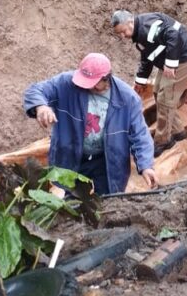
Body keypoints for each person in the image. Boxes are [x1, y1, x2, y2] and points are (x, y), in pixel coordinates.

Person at [23, 53, 158, 195]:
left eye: (92, 82)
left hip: (107, 161)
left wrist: (146, 166)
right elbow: (35, 90)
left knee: (106, 202)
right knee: (71, 201)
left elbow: (140, 135)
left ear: (106, 79)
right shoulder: (67, 83)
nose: (86, 86)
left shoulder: (127, 99)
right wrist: (41, 106)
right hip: (72, 155)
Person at [110, 10, 187, 157]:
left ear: (130, 22)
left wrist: (171, 64)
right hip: (174, 59)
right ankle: (178, 131)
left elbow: (173, 34)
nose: (123, 36)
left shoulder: (147, 26)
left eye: (123, 31)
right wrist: (140, 81)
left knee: (165, 98)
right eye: (119, 34)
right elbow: (147, 58)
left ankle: (163, 140)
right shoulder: (139, 34)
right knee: (158, 91)